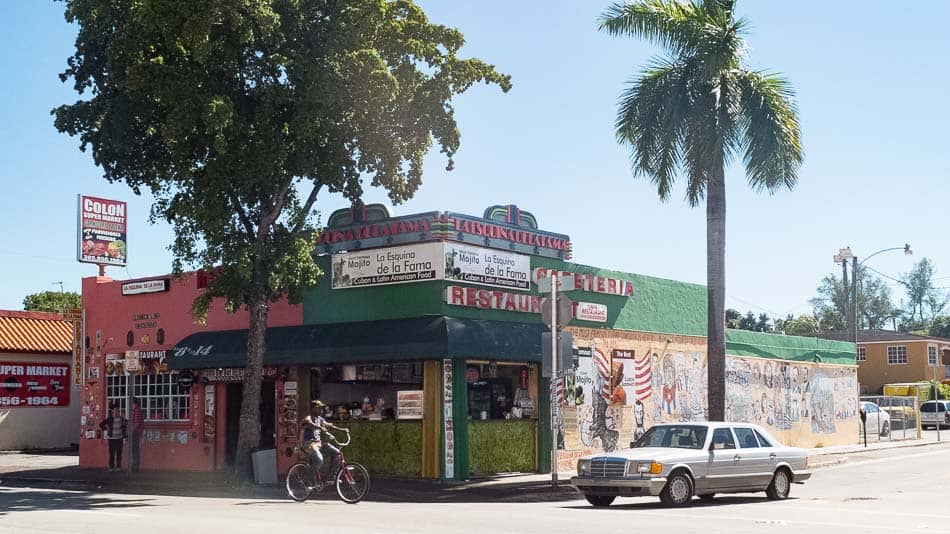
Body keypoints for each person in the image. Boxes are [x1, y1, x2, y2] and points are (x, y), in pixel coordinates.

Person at [300, 400, 342, 478]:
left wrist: (342, 429)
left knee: (337, 453)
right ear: (313, 409)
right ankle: (309, 479)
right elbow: (308, 422)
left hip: (318, 444)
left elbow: (328, 425)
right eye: (319, 408)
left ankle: (331, 477)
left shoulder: (319, 418)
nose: (321, 411)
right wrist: (320, 427)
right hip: (308, 444)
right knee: (319, 460)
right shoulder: (308, 417)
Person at [99, 404, 128, 472]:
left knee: (119, 453)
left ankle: (118, 467)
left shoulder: (121, 419)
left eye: (118, 411)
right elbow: (101, 425)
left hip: (119, 438)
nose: (116, 412)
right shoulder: (110, 419)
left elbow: (126, 424)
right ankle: (111, 467)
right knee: (112, 454)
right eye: (115, 411)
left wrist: (125, 435)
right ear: (113, 412)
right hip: (111, 439)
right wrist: (106, 428)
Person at [130, 398, 145, 472]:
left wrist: (131, 431)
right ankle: (134, 466)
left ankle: (135, 466)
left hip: (135, 432)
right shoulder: (135, 411)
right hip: (136, 432)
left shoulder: (137, 411)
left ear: (134, 403)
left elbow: (137, 423)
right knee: (134, 450)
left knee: (135, 450)